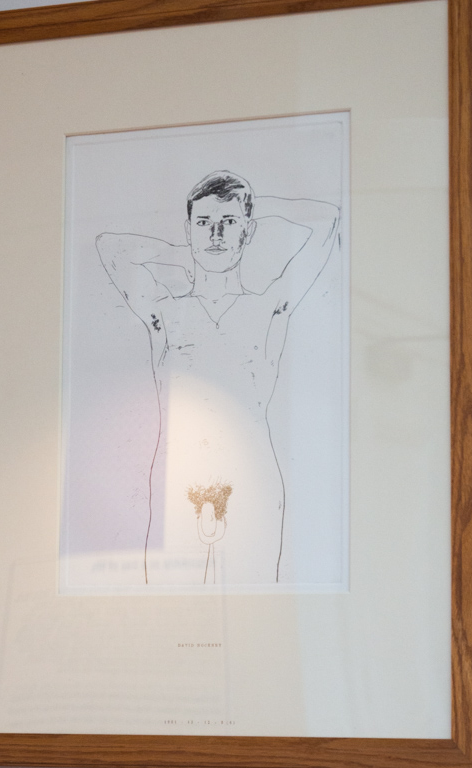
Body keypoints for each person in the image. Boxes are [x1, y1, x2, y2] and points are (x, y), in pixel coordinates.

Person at [96, 171, 339, 585]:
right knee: (169, 603)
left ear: (248, 230)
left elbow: (327, 220)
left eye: (228, 223)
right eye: (204, 224)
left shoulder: (269, 308)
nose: (216, 235)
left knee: (252, 603)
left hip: (252, 478)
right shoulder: (164, 312)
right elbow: (109, 246)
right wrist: (183, 252)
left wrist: (255, 204)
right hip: (178, 477)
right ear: (188, 229)